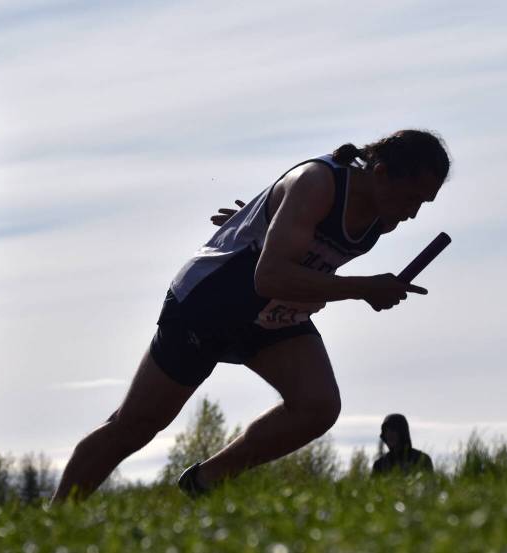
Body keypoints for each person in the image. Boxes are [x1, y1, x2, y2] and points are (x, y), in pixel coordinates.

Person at [53, 130, 450, 501]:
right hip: (211, 303)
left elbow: (293, 254)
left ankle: (204, 482)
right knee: (134, 427)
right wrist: (364, 288)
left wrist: (257, 220)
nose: (413, 213)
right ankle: (58, 521)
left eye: (424, 203)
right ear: (380, 174)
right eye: (412, 198)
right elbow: (270, 275)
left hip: (273, 315)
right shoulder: (317, 184)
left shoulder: (381, 217)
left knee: (318, 406)